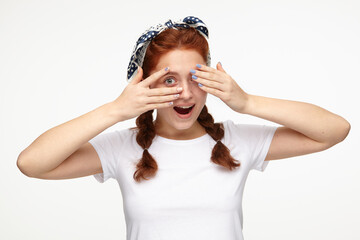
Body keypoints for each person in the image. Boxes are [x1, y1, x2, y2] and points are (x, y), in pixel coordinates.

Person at [17, 16, 350, 240]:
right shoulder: (122, 147)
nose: (186, 93)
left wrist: (246, 102)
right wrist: (116, 110)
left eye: (195, 77)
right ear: (145, 83)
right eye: (168, 80)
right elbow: (32, 163)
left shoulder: (236, 140)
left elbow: (334, 130)